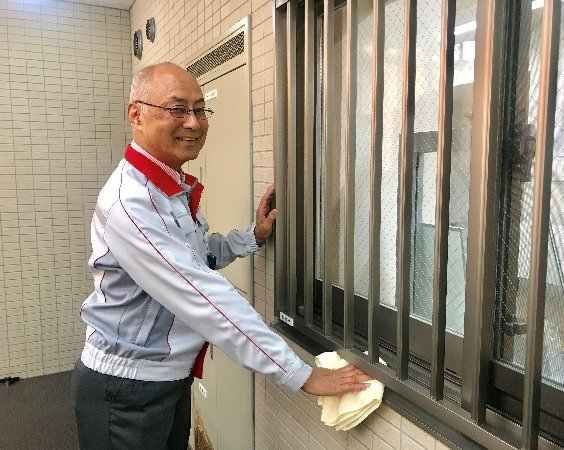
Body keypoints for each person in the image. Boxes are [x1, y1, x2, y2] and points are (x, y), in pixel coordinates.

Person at [71, 62, 369, 450]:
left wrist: (253, 236)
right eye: (177, 109)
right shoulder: (132, 202)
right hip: (125, 390)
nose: (194, 123)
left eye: (200, 109)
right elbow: (203, 296)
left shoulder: (168, 188)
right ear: (136, 115)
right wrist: (301, 374)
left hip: (163, 379)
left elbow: (198, 255)